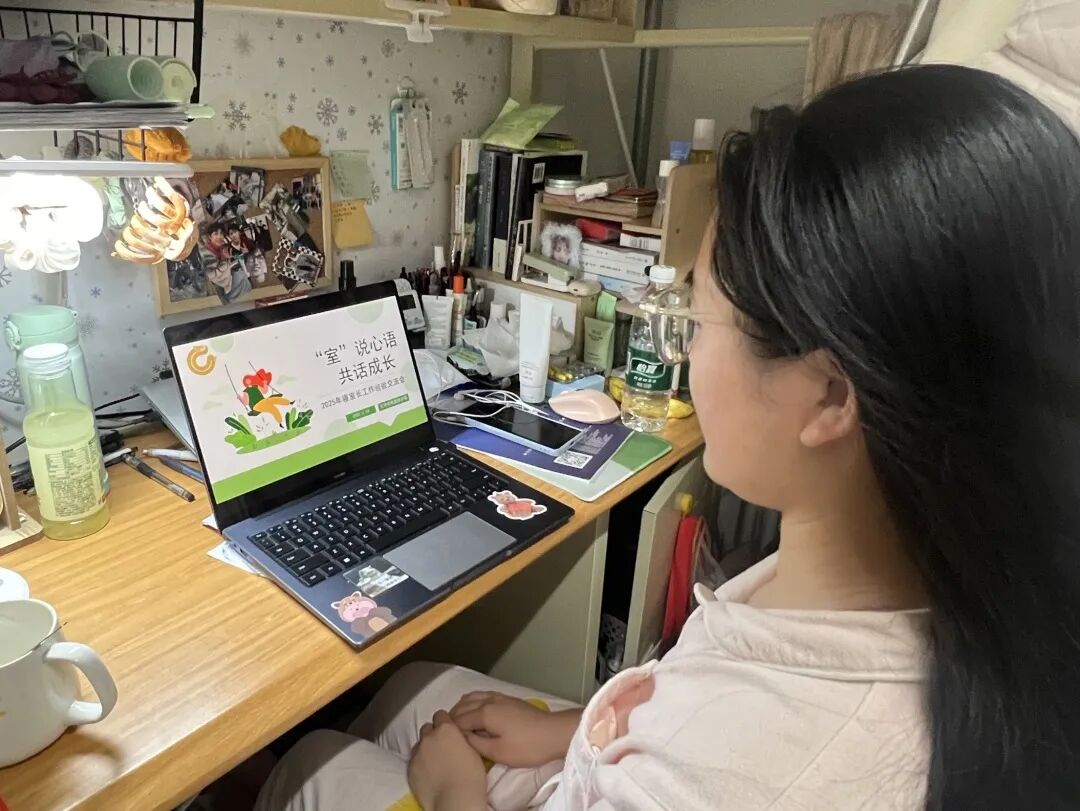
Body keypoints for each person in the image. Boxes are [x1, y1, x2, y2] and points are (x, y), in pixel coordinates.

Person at [255, 65, 1080, 810]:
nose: (683, 351)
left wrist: (453, 793)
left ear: (829, 395)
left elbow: (703, 756)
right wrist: (574, 729)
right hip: (597, 754)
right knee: (412, 686)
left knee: (315, 760)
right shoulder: (939, 579)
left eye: (699, 318)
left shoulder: (740, 771)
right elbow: (691, 690)